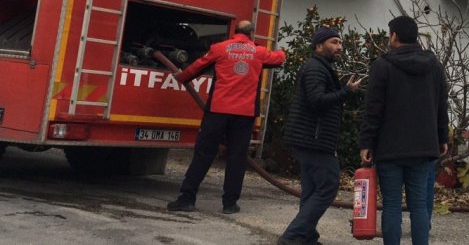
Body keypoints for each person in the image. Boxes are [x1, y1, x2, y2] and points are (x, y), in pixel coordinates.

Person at [167, 20, 286, 214]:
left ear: (234, 32)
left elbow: (197, 67)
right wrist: (281, 51)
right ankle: (229, 204)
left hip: (217, 111)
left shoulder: (220, 48)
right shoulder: (258, 52)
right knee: (237, 157)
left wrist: (180, 77)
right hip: (244, 114)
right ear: (251, 34)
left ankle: (187, 198)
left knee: (203, 154)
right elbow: (279, 59)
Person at [359, 15, 449, 245]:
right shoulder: (434, 66)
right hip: (423, 147)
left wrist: (367, 143)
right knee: (419, 205)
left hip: (390, 147)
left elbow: (373, 109)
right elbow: (441, 105)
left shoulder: (383, 65)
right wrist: (442, 137)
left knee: (391, 204)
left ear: (394, 35)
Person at [277, 27, 361, 245]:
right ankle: (293, 235)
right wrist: (345, 92)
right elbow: (317, 100)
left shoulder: (320, 67)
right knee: (327, 186)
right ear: (318, 45)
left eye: (340, 43)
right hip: (313, 140)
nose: (339, 47)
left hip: (309, 138)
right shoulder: (315, 68)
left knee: (312, 189)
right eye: (334, 42)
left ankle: (306, 236)